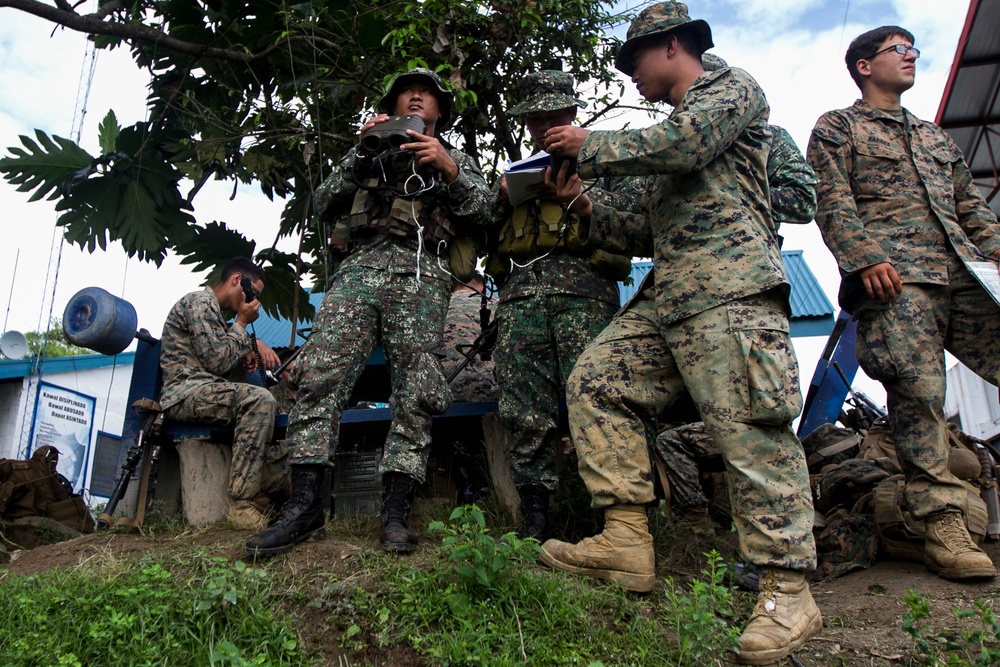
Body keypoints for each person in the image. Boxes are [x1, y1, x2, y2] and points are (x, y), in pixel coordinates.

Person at [538, 3, 822, 664]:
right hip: (671, 299)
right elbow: (638, 228)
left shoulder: (732, 89)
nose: (629, 76)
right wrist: (579, 201)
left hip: (731, 291)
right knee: (597, 380)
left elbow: (686, 143)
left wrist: (592, 146)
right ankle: (628, 539)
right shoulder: (662, 138)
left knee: (749, 430)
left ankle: (787, 588)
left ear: (670, 46)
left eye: (632, 60)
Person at [246, 67, 491, 558]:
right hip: (358, 270)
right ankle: (306, 505)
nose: (416, 96)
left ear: (441, 110)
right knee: (319, 375)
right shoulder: (366, 151)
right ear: (394, 105)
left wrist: (449, 168)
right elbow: (320, 203)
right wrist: (360, 149)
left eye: (427, 94)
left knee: (417, 387)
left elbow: (485, 212)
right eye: (406, 92)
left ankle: (396, 511)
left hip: (421, 272)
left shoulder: (456, 157)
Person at [807, 26, 1000, 582]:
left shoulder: (935, 137)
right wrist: (863, 257)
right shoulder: (839, 126)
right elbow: (832, 199)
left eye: (913, 48)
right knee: (919, 392)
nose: (911, 56)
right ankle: (942, 523)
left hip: (965, 274)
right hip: (896, 280)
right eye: (899, 49)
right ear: (865, 66)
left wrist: (994, 251)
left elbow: (971, 206)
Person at [487, 70, 636, 541]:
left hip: (585, 294)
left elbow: (638, 220)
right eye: (538, 118)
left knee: (596, 397)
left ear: (573, 113)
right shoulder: (517, 169)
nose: (547, 124)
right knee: (523, 404)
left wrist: (583, 199)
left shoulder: (608, 161)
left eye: (556, 115)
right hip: (521, 296)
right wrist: (501, 195)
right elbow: (478, 222)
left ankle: (614, 517)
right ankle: (535, 513)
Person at [159, 257, 283, 530]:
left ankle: (259, 495)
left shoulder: (215, 316)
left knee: (266, 402)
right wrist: (240, 324)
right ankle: (242, 504)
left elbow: (218, 367)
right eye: (254, 294)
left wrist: (243, 358)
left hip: (202, 391)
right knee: (259, 399)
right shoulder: (200, 303)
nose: (255, 302)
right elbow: (216, 361)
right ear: (238, 281)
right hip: (185, 393)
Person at [440, 273, 499, 403]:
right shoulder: (497, 306)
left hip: (442, 394)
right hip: (490, 392)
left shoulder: (436, 308)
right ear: (482, 288)